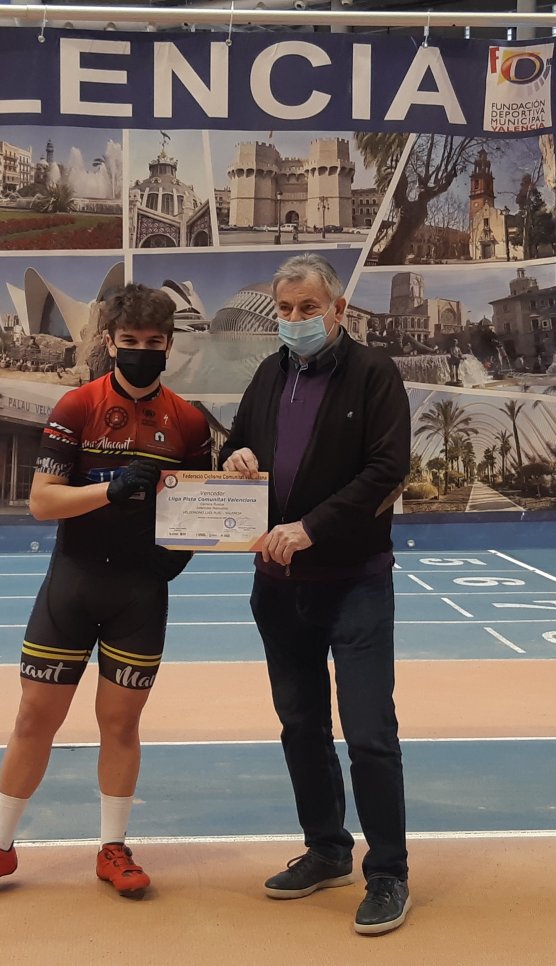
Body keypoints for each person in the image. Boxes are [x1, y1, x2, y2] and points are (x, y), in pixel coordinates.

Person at [0, 283, 212, 904]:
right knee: (35, 718)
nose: (141, 350)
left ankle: (113, 847)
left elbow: (200, 510)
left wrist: (175, 559)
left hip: (140, 595)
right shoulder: (77, 405)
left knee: (120, 725)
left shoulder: (190, 421)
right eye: (129, 340)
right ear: (109, 342)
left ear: (169, 344)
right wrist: (111, 490)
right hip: (74, 584)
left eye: (153, 341)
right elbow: (43, 502)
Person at [220, 253, 412, 935]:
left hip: (355, 584)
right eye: (286, 309)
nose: (295, 319)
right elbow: (237, 445)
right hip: (279, 588)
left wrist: (311, 528)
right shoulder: (268, 374)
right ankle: (327, 850)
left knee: (369, 734)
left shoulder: (376, 374)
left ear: (337, 309)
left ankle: (387, 873)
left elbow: (387, 469)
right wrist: (233, 458)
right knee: (301, 727)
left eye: (308, 308)